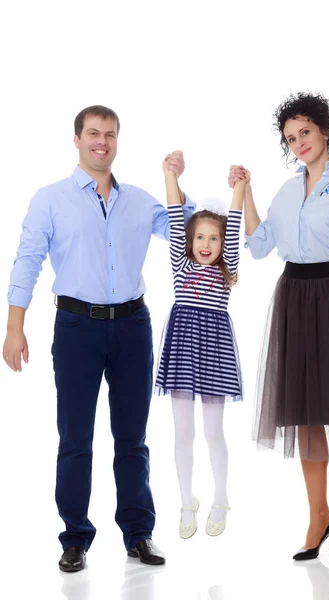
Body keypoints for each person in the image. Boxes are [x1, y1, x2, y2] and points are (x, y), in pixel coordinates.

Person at [2, 105, 195, 571]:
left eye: (109, 134)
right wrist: (14, 327)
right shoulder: (50, 199)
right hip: (76, 328)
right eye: (93, 133)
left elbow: (184, 231)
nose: (101, 142)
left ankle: (138, 534)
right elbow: (27, 260)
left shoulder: (140, 200)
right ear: (77, 139)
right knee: (75, 438)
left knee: (133, 438)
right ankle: (75, 538)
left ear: (116, 141)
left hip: (132, 326)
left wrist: (175, 181)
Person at [229, 92, 329, 561]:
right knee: (304, 418)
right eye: (290, 138)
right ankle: (317, 516)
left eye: (305, 132)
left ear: (324, 130)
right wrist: (249, 193)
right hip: (294, 298)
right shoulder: (286, 190)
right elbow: (260, 247)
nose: (299, 142)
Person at [155, 151, 247, 538]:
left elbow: (237, 222)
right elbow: (176, 216)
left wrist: (240, 187)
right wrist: (170, 175)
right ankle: (185, 500)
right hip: (182, 347)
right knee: (182, 433)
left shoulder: (228, 269)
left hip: (214, 350)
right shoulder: (181, 263)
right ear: (189, 242)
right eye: (200, 238)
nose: (206, 244)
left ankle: (221, 497)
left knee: (213, 432)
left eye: (214, 238)